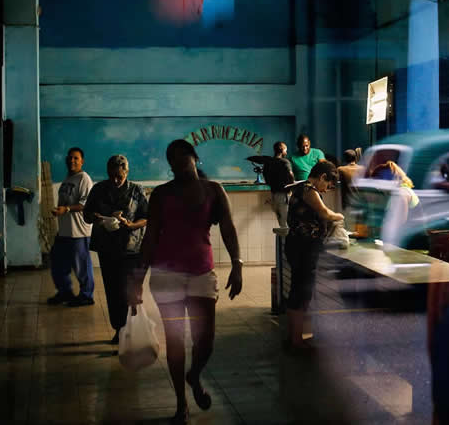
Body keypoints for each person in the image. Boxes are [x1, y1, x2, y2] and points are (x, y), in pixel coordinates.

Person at [131, 139, 242, 425]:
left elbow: (228, 228)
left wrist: (237, 264)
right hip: (166, 276)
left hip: (202, 274)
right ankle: (181, 404)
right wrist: (137, 280)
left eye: (183, 156)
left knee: (205, 340)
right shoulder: (161, 195)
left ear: (194, 157)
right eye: (172, 158)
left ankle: (195, 374)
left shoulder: (213, 190)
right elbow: (151, 237)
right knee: (176, 341)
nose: (178, 162)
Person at [82, 155, 148, 344]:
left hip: (131, 249)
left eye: (119, 176)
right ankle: (119, 329)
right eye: (111, 176)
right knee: (112, 291)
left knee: (129, 291)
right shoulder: (99, 189)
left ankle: (131, 329)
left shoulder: (136, 190)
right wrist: (95, 217)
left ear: (126, 172)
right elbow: (86, 215)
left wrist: (132, 225)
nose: (115, 180)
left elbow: (146, 217)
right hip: (107, 248)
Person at [285, 160, 343, 351]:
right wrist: (339, 216)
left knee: (299, 292)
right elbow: (324, 213)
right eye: (327, 185)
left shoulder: (303, 188)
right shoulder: (308, 189)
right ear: (323, 177)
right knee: (301, 293)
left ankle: (294, 337)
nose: (327, 190)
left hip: (300, 246)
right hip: (304, 248)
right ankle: (296, 341)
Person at [48, 147, 95, 306]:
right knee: (57, 263)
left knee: (82, 267)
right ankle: (65, 292)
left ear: (82, 161)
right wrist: (59, 210)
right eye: (69, 158)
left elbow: (85, 204)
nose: (72, 161)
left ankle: (86, 295)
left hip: (79, 232)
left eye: (76, 158)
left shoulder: (84, 178)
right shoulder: (68, 178)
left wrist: (66, 209)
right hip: (64, 232)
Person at [263, 141, 295, 229]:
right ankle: (285, 242)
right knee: (285, 223)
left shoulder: (268, 162)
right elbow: (290, 174)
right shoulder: (285, 162)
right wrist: (291, 188)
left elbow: (265, 176)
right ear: (281, 150)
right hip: (283, 195)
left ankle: (282, 241)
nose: (286, 152)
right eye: (285, 150)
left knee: (280, 222)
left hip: (273, 195)